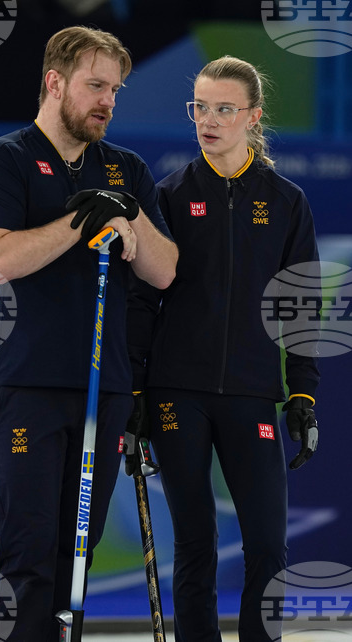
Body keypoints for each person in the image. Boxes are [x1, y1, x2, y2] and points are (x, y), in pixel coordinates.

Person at [0, 25, 177, 642]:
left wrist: (127, 213)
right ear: (55, 82)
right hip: (28, 382)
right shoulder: (3, 159)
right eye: (95, 86)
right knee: (28, 554)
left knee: (75, 562)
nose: (108, 101)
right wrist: (82, 217)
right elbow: (1, 258)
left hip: (102, 390)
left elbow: (163, 270)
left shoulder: (126, 169)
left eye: (115, 89)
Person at [127, 55, 321, 642]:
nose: (208, 120)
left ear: (253, 117)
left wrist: (304, 391)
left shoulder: (286, 202)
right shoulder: (168, 195)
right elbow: (141, 303)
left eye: (224, 109)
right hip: (175, 393)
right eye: (200, 108)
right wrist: (135, 390)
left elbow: (302, 306)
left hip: (252, 392)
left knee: (267, 542)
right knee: (194, 542)